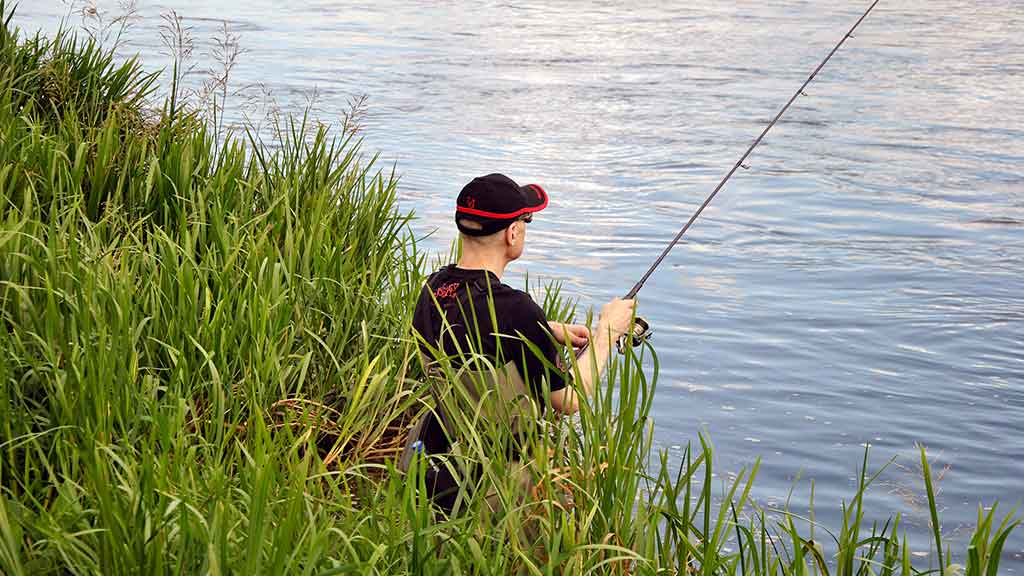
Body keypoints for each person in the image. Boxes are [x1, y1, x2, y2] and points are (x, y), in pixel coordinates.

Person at [405, 173, 636, 512]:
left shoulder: (434, 289)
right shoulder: (516, 310)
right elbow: (569, 400)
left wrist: (547, 329)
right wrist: (606, 335)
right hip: (494, 487)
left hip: (432, 462)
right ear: (512, 233)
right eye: (526, 221)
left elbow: (471, 321)